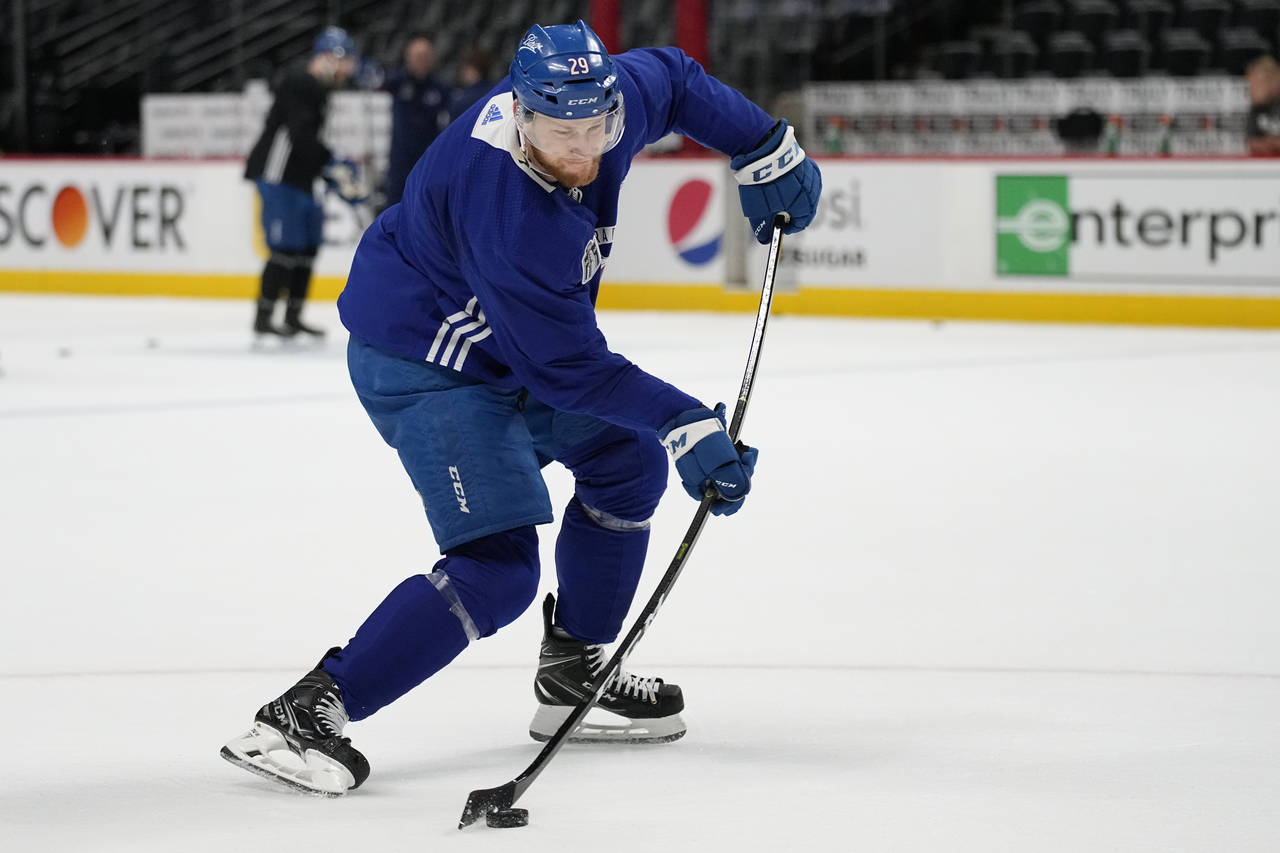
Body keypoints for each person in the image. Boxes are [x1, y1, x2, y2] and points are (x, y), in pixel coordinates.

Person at [220, 20, 821, 796]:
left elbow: (672, 78)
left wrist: (764, 142)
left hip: (508, 344)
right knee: (497, 568)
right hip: (424, 355)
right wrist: (685, 420)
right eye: (557, 132)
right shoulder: (508, 206)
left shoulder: (603, 102)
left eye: (597, 129)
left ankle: (573, 669)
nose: (581, 151)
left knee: (624, 461)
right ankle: (306, 711)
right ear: (518, 114)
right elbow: (567, 368)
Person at [243, 26, 360, 340]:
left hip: (301, 175)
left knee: (308, 245)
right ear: (332, 58)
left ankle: (293, 316)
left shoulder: (318, 89)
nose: (348, 71)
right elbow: (300, 135)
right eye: (346, 61)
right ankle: (264, 317)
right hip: (279, 174)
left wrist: (328, 163)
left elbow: (309, 139)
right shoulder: (299, 81)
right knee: (285, 247)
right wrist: (331, 161)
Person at [382, 34, 450, 207]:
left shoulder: (441, 88)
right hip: (400, 160)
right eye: (417, 57)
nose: (421, 61)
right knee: (395, 209)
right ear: (408, 59)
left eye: (425, 57)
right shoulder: (396, 83)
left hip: (428, 160)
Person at [1246, 55, 1280, 157]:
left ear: (1273, 82)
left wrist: (1270, 143)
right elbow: (1252, 143)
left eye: (1256, 84)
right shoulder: (1257, 107)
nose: (1251, 90)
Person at [449, 47, 496, 121]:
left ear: (474, 70)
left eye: (465, 68)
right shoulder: (496, 91)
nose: (462, 72)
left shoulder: (463, 100)